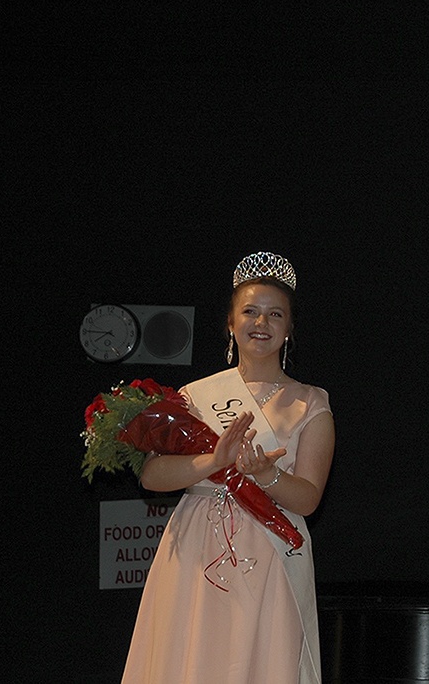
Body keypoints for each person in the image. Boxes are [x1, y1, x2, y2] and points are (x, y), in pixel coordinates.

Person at [122, 251, 335, 684]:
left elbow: (309, 498)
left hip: (271, 548)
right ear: (231, 323)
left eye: (276, 315)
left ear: (289, 329)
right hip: (196, 546)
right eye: (250, 312)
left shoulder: (311, 402)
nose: (262, 323)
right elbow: (153, 475)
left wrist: (265, 476)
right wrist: (214, 461)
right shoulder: (197, 394)